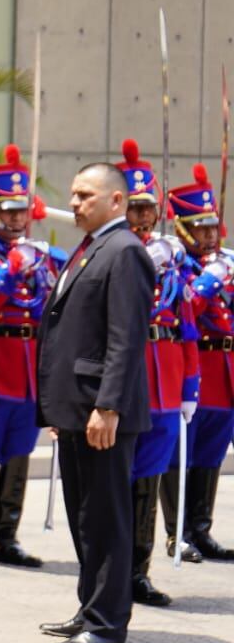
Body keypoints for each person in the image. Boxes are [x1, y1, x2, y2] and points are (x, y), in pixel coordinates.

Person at [36, 162, 152, 643]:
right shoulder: (90, 248)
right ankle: (91, 608)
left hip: (100, 411)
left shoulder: (124, 251)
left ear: (116, 201)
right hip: (77, 409)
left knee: (105, 519)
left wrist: (108, 406)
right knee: (85, 517)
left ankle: (107, 624)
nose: (75, 202)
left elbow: (126, 339)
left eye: (86, 194)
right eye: (75, 194)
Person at [0, 145, 66, 569]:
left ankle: (8, 536)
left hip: (30, 368)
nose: (15, 219)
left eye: (21, 211)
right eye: (7, 211)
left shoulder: (40, 254)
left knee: (18, 454)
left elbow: (53, 309)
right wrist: (10, 271)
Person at [118, 140, 197, 607]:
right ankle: (106, 576)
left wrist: (190, 383)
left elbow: (185, 322)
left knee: (148, 481)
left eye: (147, 208)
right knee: (115, 485)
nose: (142, 216)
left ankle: (138, 572)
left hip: (166, 382)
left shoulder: (173, 257)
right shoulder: (110, 251)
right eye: (134, 207)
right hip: (126, 382)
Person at [159, 164, 234, 562]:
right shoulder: (175, 265)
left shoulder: (224, 262)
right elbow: (183, 305)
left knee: (210, 454)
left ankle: (201, 529)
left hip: (225, 372)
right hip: (195, 368)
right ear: (183, 229)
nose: (208, 235)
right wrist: (209, 281)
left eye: (212, 227)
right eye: (200, 228)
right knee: (181, 454)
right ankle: (178, 534)